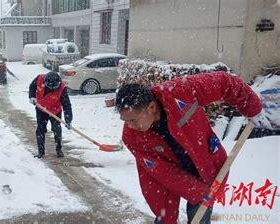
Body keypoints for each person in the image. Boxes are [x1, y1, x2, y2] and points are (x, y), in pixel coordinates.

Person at [115, 71, 270, 224]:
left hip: (203, 164)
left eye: (133, 120)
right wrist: (198, 192)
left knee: (200, 215)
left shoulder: (179, 92)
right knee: (165, 217)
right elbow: (164, 172)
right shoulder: (131, 137)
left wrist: (251, 106)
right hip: (165, 180)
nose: (130, 126)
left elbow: (224, 82)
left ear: (151, 107)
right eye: (126, 120)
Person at [29, 72, 73, 158]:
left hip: (55, 111)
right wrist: (32, 96)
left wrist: (68, 120)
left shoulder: (62, 89)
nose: (52, 90)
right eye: (50, 87)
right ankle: (41, 152)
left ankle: (59, 149)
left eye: (54, 88)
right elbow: (32, 87)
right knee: (40, 130)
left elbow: (67, 105)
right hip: (41, 109)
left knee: (56, 130)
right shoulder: (39, 78)